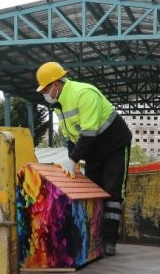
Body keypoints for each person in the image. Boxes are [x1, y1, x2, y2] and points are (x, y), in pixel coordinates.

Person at [35, 61, 132, 256]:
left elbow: (89, 132)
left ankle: (110, 241)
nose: (45, 94)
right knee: (95, 192)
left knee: (112, 192)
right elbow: (72, 137)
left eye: (45, 89)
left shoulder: (84, 93)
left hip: (114, 145)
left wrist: (73, 160)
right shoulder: (59, 107)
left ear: (56, 84)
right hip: (93, 149)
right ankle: (97, 241)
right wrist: (74, 160)